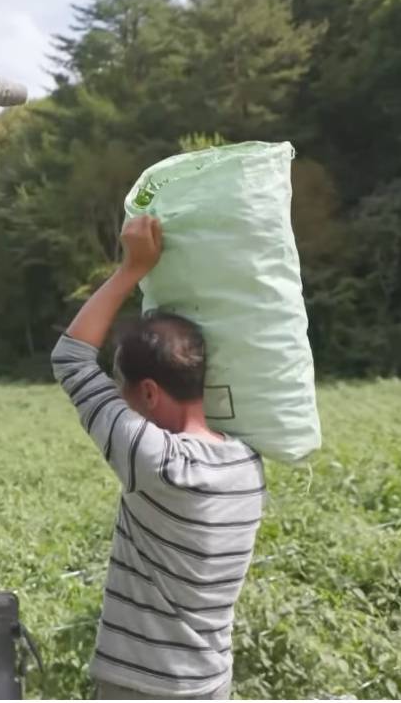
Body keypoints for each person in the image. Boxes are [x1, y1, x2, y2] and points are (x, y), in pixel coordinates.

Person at [51, 214, 266, 700]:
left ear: (147, 393)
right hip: (209, 684)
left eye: (120, 387)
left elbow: (69, 358)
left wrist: (132, 268)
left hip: (142, 688)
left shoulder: (155, 461)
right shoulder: (248, 466)